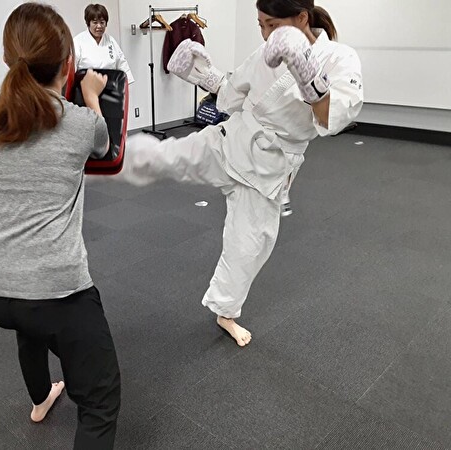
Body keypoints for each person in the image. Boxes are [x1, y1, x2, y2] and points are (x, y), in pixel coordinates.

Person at [113, 0, 363, 347]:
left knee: (247, 249)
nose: (265, 34)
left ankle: (225, 313)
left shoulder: (340, 58)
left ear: (302, 17)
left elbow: (330, 119)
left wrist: (308, 76)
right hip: (231, 138)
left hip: (266, 170)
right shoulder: (266, 50)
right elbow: (234, 93)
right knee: (168, 156)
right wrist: (202, 74)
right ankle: (103, 160)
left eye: (272, 25)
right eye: (260, 24)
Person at [0, 3, 120, 449]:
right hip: (54, 289)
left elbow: (29, 112)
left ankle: (40, 399)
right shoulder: (81, 124)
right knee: (101, 400)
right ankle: (52, 395)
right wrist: (91, 94)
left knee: (29, 322)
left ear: (6, 59)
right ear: (68, 63)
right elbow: (105, 146)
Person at [74, 4, 134, 84]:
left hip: (110, 87)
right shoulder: (78, 41)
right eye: (95, 22)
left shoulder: (110, 41)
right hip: (85, 87)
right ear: (88, 23)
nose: (99, 26)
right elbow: (71, 70)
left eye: (102, 22)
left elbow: (122, 66)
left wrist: (125, 85)